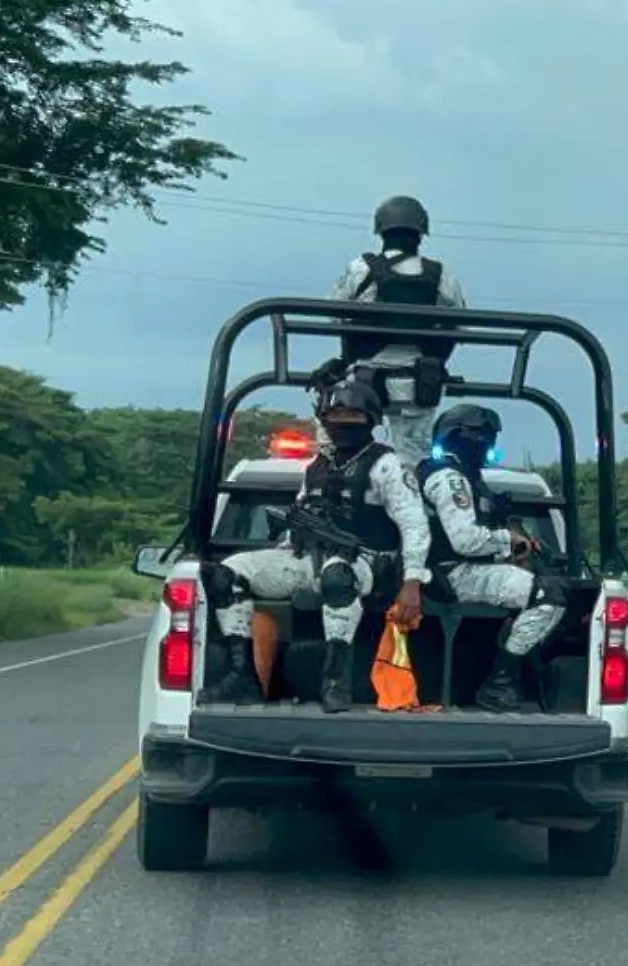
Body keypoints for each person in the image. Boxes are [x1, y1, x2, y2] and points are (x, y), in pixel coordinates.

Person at [199, 380, 431, 712]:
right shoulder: (319, 466)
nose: (343, 421)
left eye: (352, 414)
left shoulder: (386, 465)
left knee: (337, 577)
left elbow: (414, 524)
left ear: (371, 420)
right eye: (335, 414)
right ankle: (243, 677)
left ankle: (335, 683)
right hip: (308, 556)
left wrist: (412, 582)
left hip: (365, 562)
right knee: (226, 574)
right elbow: (301, 514)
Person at [416, 404, 564, 712]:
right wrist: (508, 541)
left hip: (456, 570)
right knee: (548, 595)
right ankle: (499, 684)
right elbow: (466, 540)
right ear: (460, 438)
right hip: (449, 572)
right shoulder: (448, 478)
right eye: (481, 438)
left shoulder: (467, 478)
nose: (486, 445)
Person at [320, 195, 467, 466]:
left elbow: (333, 314)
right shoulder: (441, 274)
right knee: (414, 462)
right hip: (418, 385)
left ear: (381, 231)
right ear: (421, 233)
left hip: (362, 382)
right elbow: (459, 321)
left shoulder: (360, 269)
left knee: (340, 457)